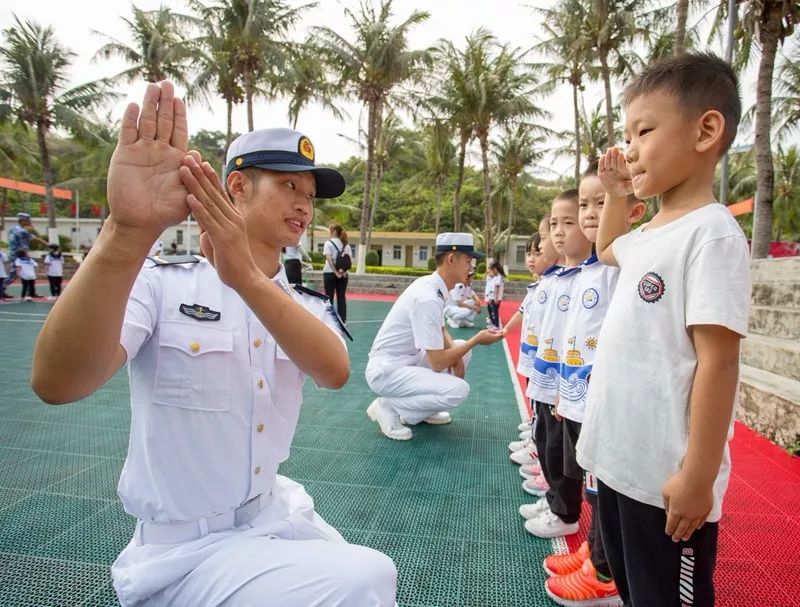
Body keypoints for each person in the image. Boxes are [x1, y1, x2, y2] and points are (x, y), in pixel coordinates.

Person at [31, 82, 397, 607]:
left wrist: (245, 278)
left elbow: (334, 370)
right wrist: (127, 233)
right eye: (288, 186)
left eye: (310, 197)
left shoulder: (305, 307)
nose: (303, 205)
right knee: (366, 580)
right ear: (238, 187)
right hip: (184, 553)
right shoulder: (162, 283)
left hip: (270, 518)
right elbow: (57, 383)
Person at [576, 53, 750, 606]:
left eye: (643, 131)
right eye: (626, 135)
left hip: (665, 480)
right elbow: (606, 248)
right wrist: (620, 192)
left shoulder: (712, 234)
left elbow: (718, 362)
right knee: (634, 589)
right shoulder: (650, 232)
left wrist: (697, 475)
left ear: (705, 130)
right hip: (620, 462)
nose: (628, 148)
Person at [541, 164, 646, 607]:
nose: (588, 213)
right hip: (581, 396)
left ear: (632, 210)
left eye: (600, 203)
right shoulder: (586, 270)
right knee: (593, 485)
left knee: (603, 486)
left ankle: (603, 572)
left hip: (608, 401)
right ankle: (595, 553)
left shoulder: (622, 265)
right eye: (583, 203)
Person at [365, 232, 504, 441]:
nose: (472, 268)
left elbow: (441, 329)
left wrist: (459, 356)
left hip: (406, 361)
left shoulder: (434, 287)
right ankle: (388, 406)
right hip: (388, 371)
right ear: (451, 259)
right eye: (468, 261)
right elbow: (437, 362)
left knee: (459, 348)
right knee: (458, 390)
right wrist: (475, 340)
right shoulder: (428, 297)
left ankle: (421, 412)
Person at [522, 188, 592, 539]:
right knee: (550, 444)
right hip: (550, 380)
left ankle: (564, 512)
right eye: (553, 225)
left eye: (568, 222)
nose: (557, 233)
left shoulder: (591, 276)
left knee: (567, 457)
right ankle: (555, 502)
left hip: (572, 388)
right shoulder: (557, 279)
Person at [5, 212, 47, 287]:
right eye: (28, 220)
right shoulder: (22, 231)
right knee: (16, 273)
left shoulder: (13, 229)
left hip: (12, 254)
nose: (29, 222)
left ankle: (3, 290)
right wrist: (47, 244)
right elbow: (30, 240)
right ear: (23, 221)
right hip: (18, 255)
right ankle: (2, 289)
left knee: (15, 273)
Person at [323, 224, 351, 322]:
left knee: (329, 297)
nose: (329, 232)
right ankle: (343, 321)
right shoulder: (345, 244)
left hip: (329, 273)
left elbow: (329, 259)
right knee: (341, 297)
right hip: (343, 275)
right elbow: (348, 261)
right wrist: (342, 271)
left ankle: (329, 320)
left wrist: (335, 272)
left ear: (334, 231)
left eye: (330, 230)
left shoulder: (328, 243)